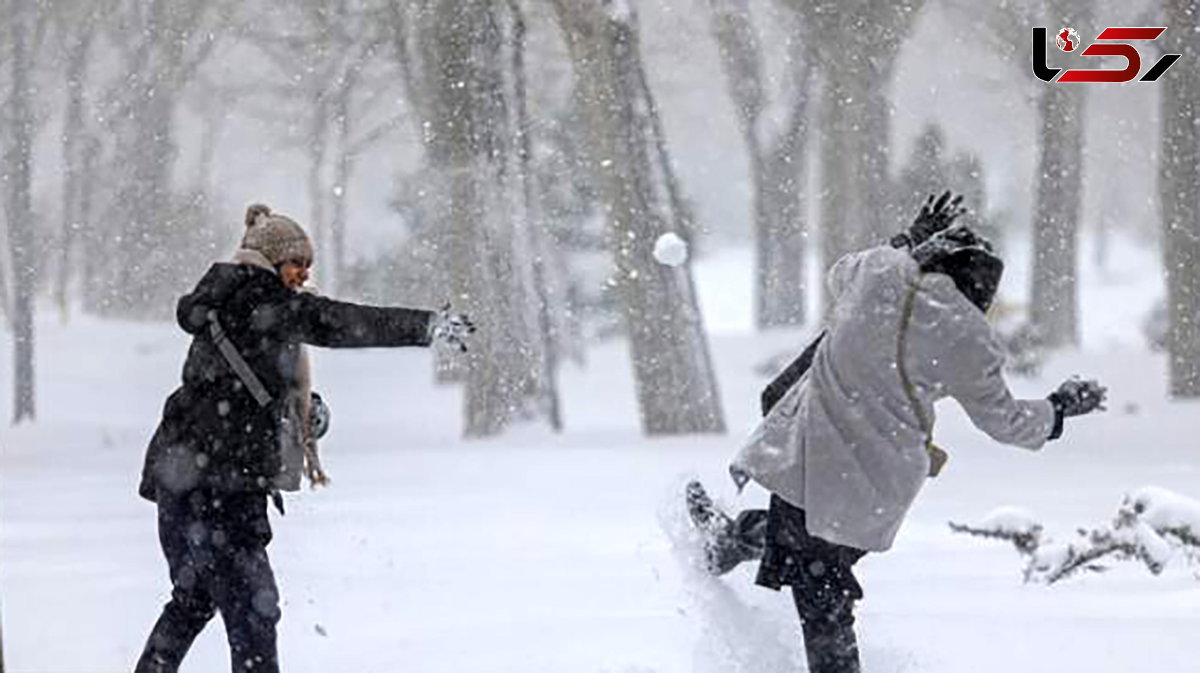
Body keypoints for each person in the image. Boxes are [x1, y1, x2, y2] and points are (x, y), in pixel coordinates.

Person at [686, 192, 1107, 673]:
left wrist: (907, 242)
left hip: (808, 456)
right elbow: (1005, 421)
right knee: (820, 578)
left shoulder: (880, 273)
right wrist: (1058, 409)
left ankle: (729, 543)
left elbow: (838, 273)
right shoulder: (968, 336)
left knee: (813, 562)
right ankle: (729, 543)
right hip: (876, 487)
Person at [135, 204, 474, 673]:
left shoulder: (225, 300)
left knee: (193, 600)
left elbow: (230, 387)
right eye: (296, 263)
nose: (302, 274)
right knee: (255, 610)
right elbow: (337, 322)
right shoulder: (262, 300)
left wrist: (301, 412)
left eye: (308, 266)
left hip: (181, 482)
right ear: (270, 262)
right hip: (219, 489)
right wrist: (424, 326)